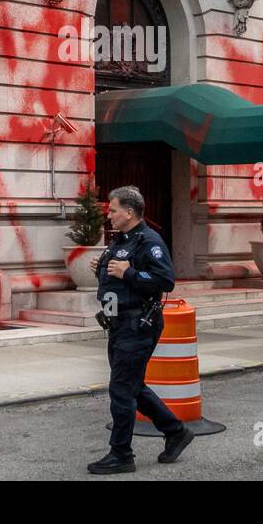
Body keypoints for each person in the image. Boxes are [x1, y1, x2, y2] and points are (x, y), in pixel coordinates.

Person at [86, 185, 193, 474]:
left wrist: (129, 272)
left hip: (137, 325)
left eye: (112, 210)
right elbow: (116, 278)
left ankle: (121, 454)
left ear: (129, 212)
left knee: (121, 388)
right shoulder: (121, 240)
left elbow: (165, 280)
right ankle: (175, 431)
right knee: (132, 385)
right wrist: (101, 267)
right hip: (118, 324)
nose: (108, 215)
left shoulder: (149, 240)